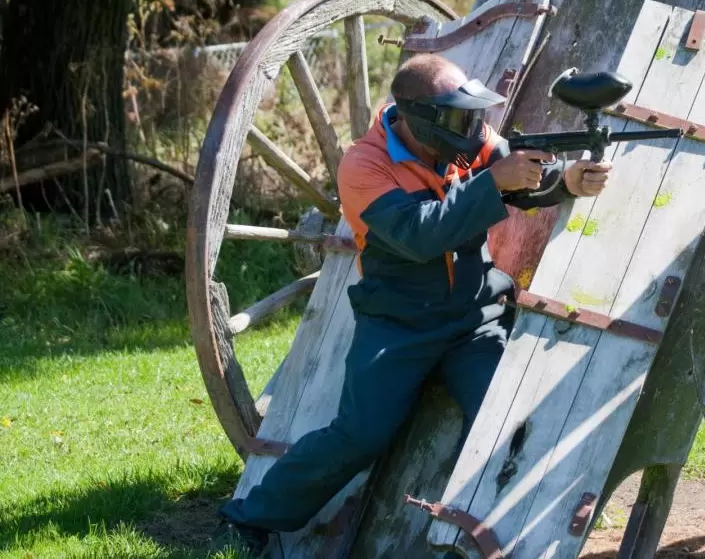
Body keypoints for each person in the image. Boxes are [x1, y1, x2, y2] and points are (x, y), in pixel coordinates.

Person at [217, 53, 612, 554]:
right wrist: (494, 181)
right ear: (416, 117)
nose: (474, 127)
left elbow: (522, 178)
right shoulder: (364, 165)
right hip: (396, 323)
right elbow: (419, 233)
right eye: (459, 117)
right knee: (359, 433)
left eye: (474, 116)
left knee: (501, 417)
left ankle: (493, 539)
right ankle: (248, 517)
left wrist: (566, 181)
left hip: (474, 317)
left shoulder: (469, 138)